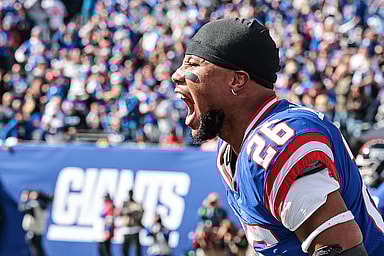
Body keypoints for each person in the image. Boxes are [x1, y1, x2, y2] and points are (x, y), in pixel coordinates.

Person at [171, 17, 384, 256]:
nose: (177, 75)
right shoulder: (231, 148)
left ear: (237, 80)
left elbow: (342, 250)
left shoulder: (276, 145)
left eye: (192, 65)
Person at [18, 190, 53, 256]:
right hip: (38, 231)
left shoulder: (35, 205)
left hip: (33, 231)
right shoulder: (42, 204)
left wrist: (24, 200)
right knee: (37, 248)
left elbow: (22, 209)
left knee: (35, 249)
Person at [120, 189, 144, 256]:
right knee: (125, 248)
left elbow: (141, 213)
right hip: (126, 229)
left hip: (135, 228)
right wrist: (129, 210)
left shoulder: (136, 204)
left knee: (137, 248)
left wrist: (135, 211)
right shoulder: (125, 204)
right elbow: (120, 213)